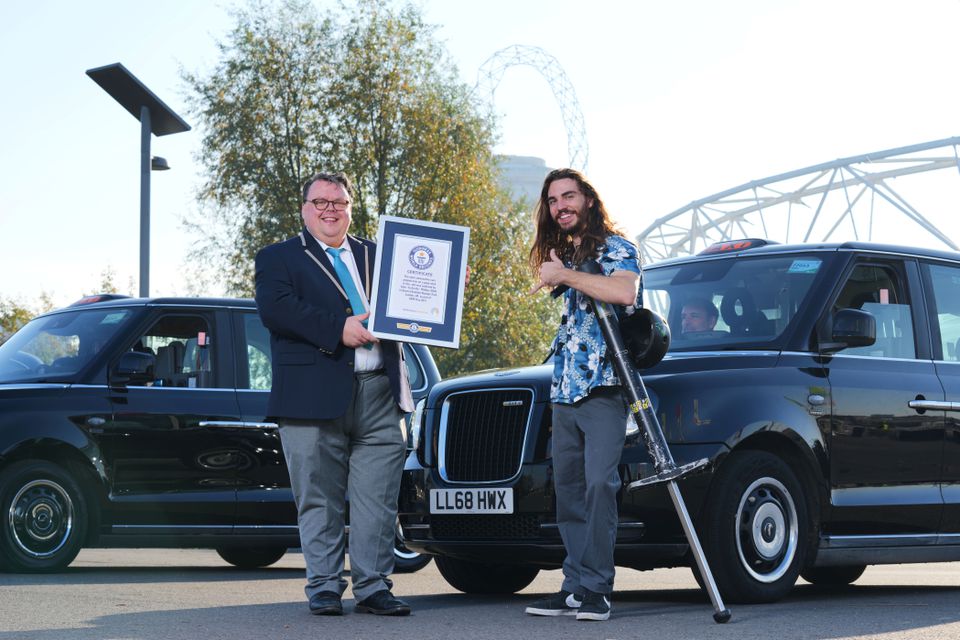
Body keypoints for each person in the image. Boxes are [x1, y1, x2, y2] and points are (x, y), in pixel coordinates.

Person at [255, 171, 415, 617]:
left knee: (378, 499)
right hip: (312, 396)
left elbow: (414, 304)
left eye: (339, 202)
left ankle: (373, 586)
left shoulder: (381, 255)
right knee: (318, 498)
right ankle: (324, 586)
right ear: (305, 209)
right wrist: (336, 329)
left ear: (350, 208)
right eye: (321, 202)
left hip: (381, 393)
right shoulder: (278, 258)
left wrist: (440, 294)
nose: (330, 209)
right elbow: (276, 309)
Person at [526, 168, 642, 622]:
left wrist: (566, 275)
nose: (561, 206)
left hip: (605, 387)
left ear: (588, 200)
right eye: (553, 200)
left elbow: (623, 291)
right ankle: (574, 585)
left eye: (568, 196)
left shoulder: (617, 247)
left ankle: (598, 588)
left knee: (599, 485)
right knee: (569, 490)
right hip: (565, 388)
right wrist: (561, 270)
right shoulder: (567, 254)